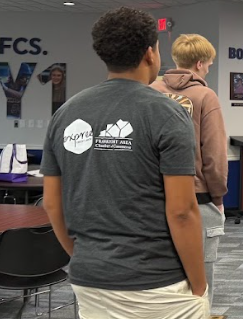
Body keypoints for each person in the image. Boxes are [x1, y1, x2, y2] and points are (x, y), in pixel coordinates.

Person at [40, 7, 209, 318]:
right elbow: (182, 211)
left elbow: (52, 203)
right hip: (158, 284)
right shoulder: (167, 113)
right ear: (150, 54)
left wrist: (82, 256)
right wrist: (199, 287)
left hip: (90, 280)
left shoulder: (65, 113)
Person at [150, 33, 228, 307]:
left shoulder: (151, 91)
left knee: (161, 278)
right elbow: (214, 156)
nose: (208, 69)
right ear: (198, 63)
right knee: (201, 280)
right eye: (208, 64)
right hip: (198, 199)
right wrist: (218, 198)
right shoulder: (205, 96)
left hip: (154, 200)